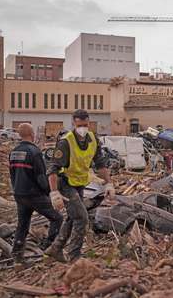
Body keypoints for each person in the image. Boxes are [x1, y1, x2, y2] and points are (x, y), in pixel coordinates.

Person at [45, 110, 114, 262]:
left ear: (89, 123)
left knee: (72, 217)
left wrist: (109, 183)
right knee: (82, 218)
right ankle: (74, 256)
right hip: (65, 183)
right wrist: (54, 192)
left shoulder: (93, 139)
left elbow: (100, 164)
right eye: (80, 125)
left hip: (80, 183)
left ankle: (55, 248)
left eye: (86, 125)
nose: (83, 128)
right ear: (73, 124)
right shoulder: (65, 142)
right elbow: (53, 169)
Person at [9, 123, 63, 269]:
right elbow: (41, 177)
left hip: (19, 194)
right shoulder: (35, 152)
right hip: (34, 194)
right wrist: (50, 193)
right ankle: (50, 250)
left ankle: (18, 259)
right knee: (57, 218)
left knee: (23, 225)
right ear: (32, 134)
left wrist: (16, 190)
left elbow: (12, 175)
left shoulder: (14, 152)